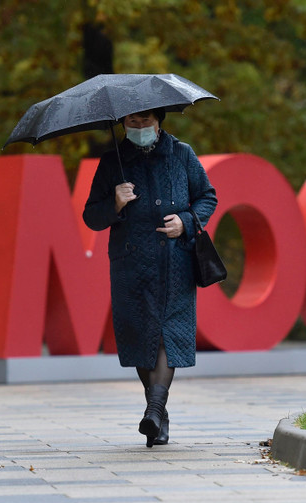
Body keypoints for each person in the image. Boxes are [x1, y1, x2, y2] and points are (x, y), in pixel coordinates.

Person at [83, 108, 217, 447]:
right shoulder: (112, 161)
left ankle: (155, 410)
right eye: (132, 122)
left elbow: (207, 197)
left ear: (159, 122)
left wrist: (186, 221)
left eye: (146, 121)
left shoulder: (182, 153)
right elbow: (91, 217)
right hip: (130, 266)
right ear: (123, 125)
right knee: (140, 336)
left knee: (165, 335)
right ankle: (159, 415)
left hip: (174, 263)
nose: (139, 127)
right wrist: (114, 202)